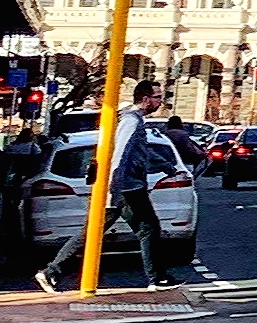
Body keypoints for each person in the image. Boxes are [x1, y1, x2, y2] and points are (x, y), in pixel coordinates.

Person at [41, 86, 175, 294]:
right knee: (148, 228)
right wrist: (114, 187)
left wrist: (164, 166)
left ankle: (52, 271)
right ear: (145, 98)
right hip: (127, 187)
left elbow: (139, 154)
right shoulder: (131, 121)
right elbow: (121, 154)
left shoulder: (134, 120)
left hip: (124, 186)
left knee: (93, 231)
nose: (161, 102)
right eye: (158, 97)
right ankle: (157, 278)